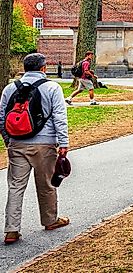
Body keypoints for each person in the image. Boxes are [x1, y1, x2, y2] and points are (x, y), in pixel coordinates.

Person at [1, 52, 71, 245]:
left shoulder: (10, 88)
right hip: (45, 143)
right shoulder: (52, 87)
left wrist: (9, 140)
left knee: (15, 187)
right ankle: (50, 220)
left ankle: (11, 230)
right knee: (46, 184)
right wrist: (63, 143)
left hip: (17, 143)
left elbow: (2, 117)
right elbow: (59, 117)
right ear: (43, 68)